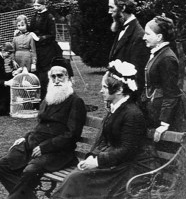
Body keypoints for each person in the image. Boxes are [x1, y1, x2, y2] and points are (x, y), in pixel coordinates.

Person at [53, 61, 157, 199]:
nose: (101, 91)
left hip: (129, 168)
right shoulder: (116, 108)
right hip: (115, 162)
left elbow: (128, 150)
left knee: (76, 179)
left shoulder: (132, 114)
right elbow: (104, 139)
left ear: (119, 90)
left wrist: (97, 161)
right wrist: (92, 156)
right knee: (76, 177)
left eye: (105, 87)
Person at [0, 63, 87, 199]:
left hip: (58, 152)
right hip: (34, 145)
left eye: (60, 76)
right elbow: (40, 126)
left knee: (30, 170)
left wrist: (45, 147)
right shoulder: (49, 98)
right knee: (2, 165)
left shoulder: (75, 101)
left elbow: (72, 135)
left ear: (67, 77)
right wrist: (25, 137)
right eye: (53, 76)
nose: (56, 80)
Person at [142, 15, 186, 141]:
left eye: (147, 34)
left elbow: (171, 93)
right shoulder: (158, 53)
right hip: (153, 108)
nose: (144, 37)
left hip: (160, 113)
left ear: (159, 37)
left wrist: (164, 123)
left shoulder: (167, 58)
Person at [108, 0, 150, 93]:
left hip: (127, 95)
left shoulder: (139, 36)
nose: (109, 12)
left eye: (111, 7)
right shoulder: (122, 28)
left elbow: (137, 77)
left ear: (123, 8)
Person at [28, 0, 64, 100]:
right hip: (36, 48)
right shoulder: (34, 16)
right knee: (36, 71)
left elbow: (52, 35)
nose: (36, 8)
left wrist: (40, 38)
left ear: (44, 5)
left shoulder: (49, 17)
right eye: (34, 6)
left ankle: (46, 97)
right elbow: (31, 29)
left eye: (38, 6)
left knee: (45, 73)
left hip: (47, 49)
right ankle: (37, 97)